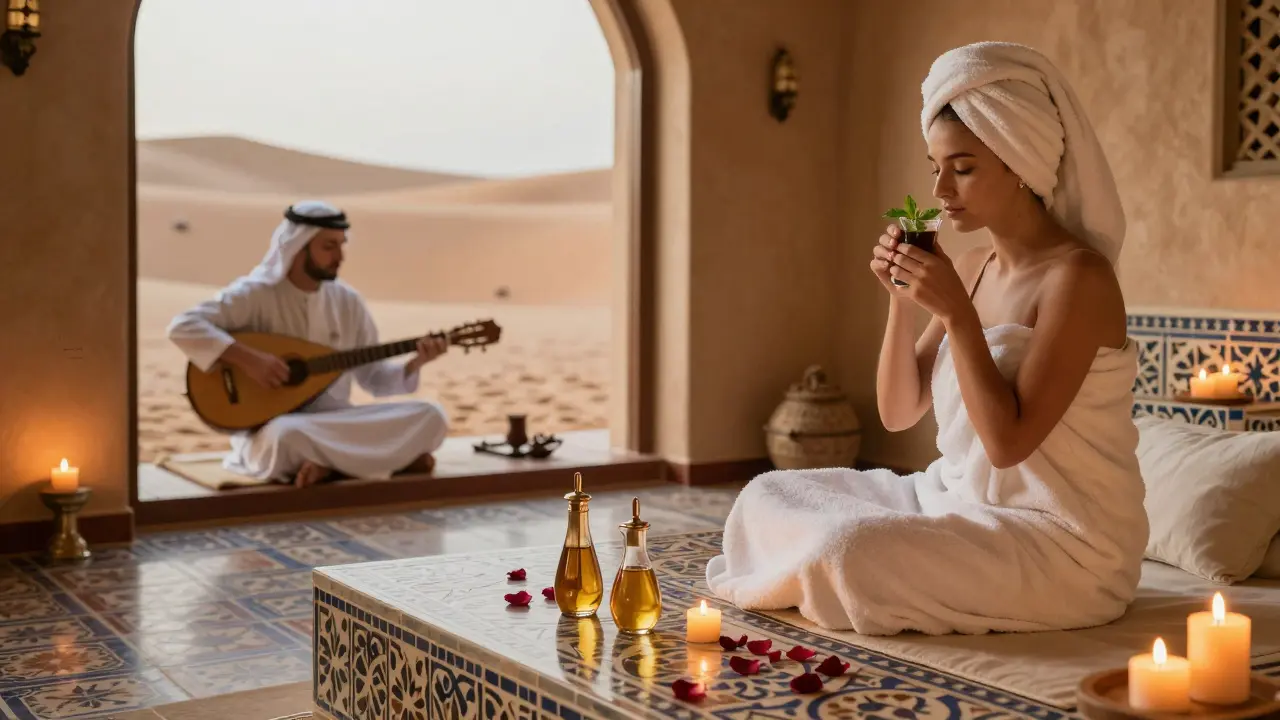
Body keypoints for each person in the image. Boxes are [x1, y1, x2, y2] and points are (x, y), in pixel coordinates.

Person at [705, 42, 1148, 635]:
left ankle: (825, 571)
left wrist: (960, 318)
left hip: (1058, 543)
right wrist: (902, 300)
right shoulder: (972, 267)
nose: (941, 190)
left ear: (1020, 164)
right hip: (955, 501)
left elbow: (1008, 444)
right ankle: (827, 569)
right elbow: (896, 411)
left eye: (962, 168)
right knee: (766, 496)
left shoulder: (1079, 279)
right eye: (934, 167)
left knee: (851, 548)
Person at [167, 200, 450, 488]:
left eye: (341, 245)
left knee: (431, 416)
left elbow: (374, 379)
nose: (339, 256)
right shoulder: (255, 295)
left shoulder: (347, 302)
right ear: (298, 247)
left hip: (336, 421)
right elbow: (183, 327)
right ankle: (379, 461)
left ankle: (327, 465)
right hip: (274, 425)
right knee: (286, 437)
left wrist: (417, 362)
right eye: (328, 247)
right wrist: (248, 359)